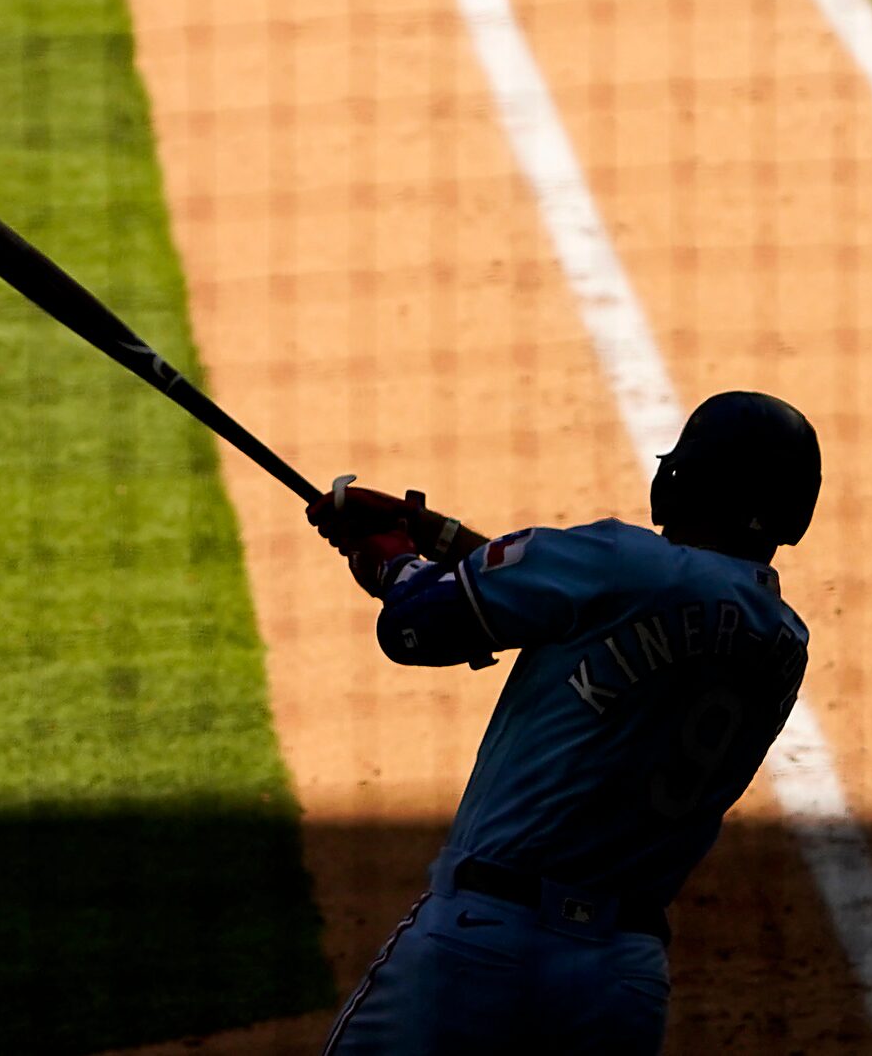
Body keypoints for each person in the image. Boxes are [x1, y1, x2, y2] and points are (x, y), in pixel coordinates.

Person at [307, 391, 822, 1053]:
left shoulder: (625, 565)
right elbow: (596, 608)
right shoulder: (780, 643)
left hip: (479, 950)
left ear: (683, 480)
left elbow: (416, 624)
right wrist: (433, 534)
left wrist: (394, 560)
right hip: (617, 985)